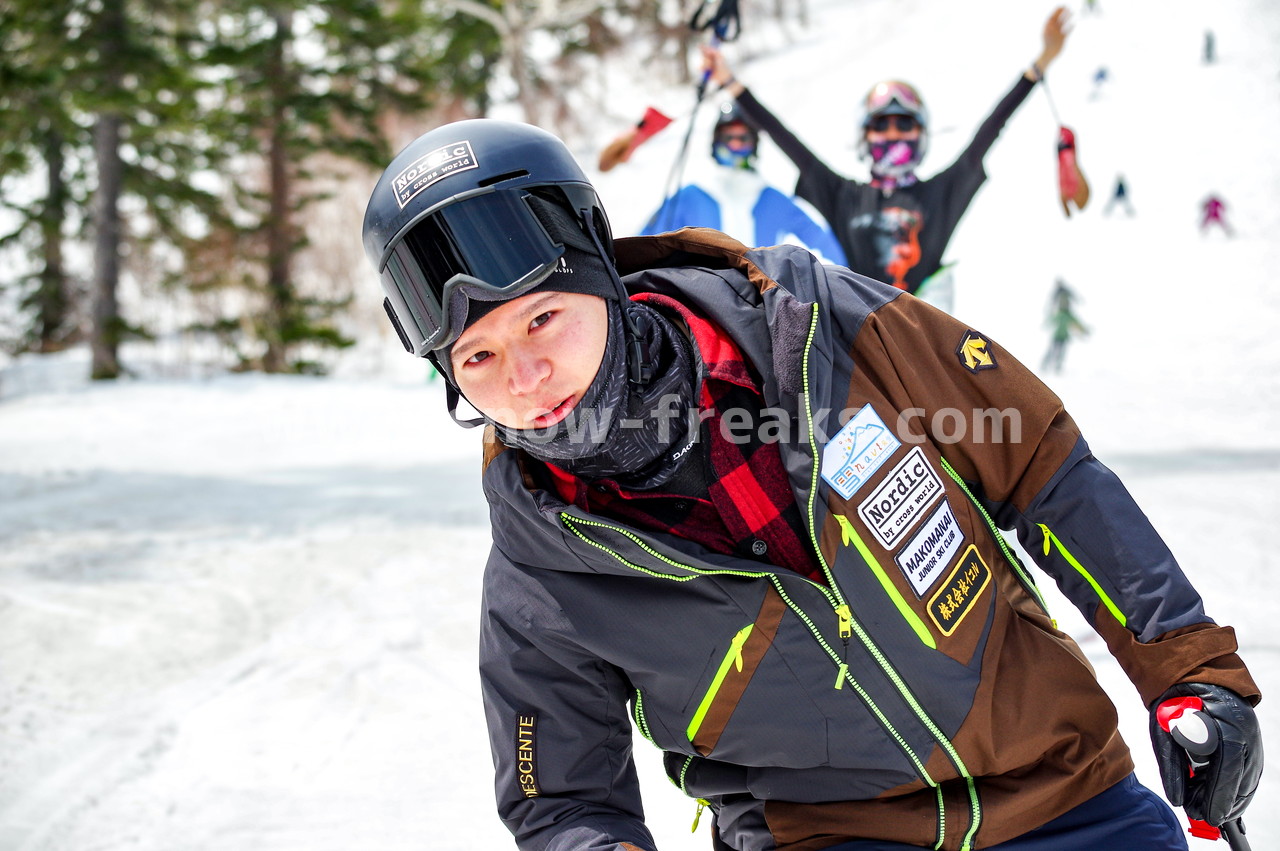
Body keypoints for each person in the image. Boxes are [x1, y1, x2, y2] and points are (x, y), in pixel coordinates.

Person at [362, 119, 1263, 851]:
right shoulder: (541, 574)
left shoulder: (823, 329)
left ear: (601, 264)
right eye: (477, 357)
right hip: (824, 838)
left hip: (1063, 794)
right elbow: (562, 803)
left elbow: (1040, 465)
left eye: (543, 319)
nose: (525, 379)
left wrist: (1187, 672)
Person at [700, 8, 1073, 297]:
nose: (892, 133)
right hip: (855, 348)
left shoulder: (940, 194)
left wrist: (1039, 65)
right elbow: (786, 139)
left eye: (903, 123)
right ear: (865, 135)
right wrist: (731, 84)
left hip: (924, 347)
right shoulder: (844, 196)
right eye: (881, 125)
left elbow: (989, 132)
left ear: (921, 133)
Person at [641, 102, 848, 266]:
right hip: (697, 305)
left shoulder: (773, 198)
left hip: (758, 305)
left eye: (743, 138)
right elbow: (643, 246)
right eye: (729, 137)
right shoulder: (689, 196)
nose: (736, 145)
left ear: (754, 143)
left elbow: (826, 249)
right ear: (716, 142)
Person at [1042, 278, 1088, 373]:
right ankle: (1045, 365)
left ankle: (1057, 366)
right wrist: (1046, 323)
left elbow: (1077, 323)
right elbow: (1051, 319)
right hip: (1057, 336)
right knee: (1051, 351)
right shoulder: (1059, 314)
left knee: (1061, 353)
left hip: (1064, 337)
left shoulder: (1069, 315)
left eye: (1066, 303)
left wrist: (1084, 330)